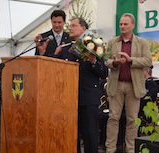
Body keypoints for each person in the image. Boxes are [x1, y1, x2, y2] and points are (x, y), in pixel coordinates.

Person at [36, 17, 108, 153]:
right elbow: (51, 70)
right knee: (70, 137)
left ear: (83, 28)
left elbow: (104, 72)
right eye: (70, 26)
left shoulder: (95, 47)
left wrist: (93, 61)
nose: (70, 28)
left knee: (90, 137)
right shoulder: (64, 49)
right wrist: (43, 52)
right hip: (67, 101)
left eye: (74, 26)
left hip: (87, 99)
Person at [105, 13, 152, 153]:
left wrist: (131, 59)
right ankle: (110, 149)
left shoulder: (141, 42)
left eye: (125, 24)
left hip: (133, 86)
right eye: (121, 24)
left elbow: (148, 61)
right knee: (113, 118)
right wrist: (114, 62)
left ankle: (130, 150)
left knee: (132, 120)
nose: (122, 26)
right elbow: (105, 61)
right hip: (116, 84)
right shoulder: (112, 42)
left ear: (133, 25)